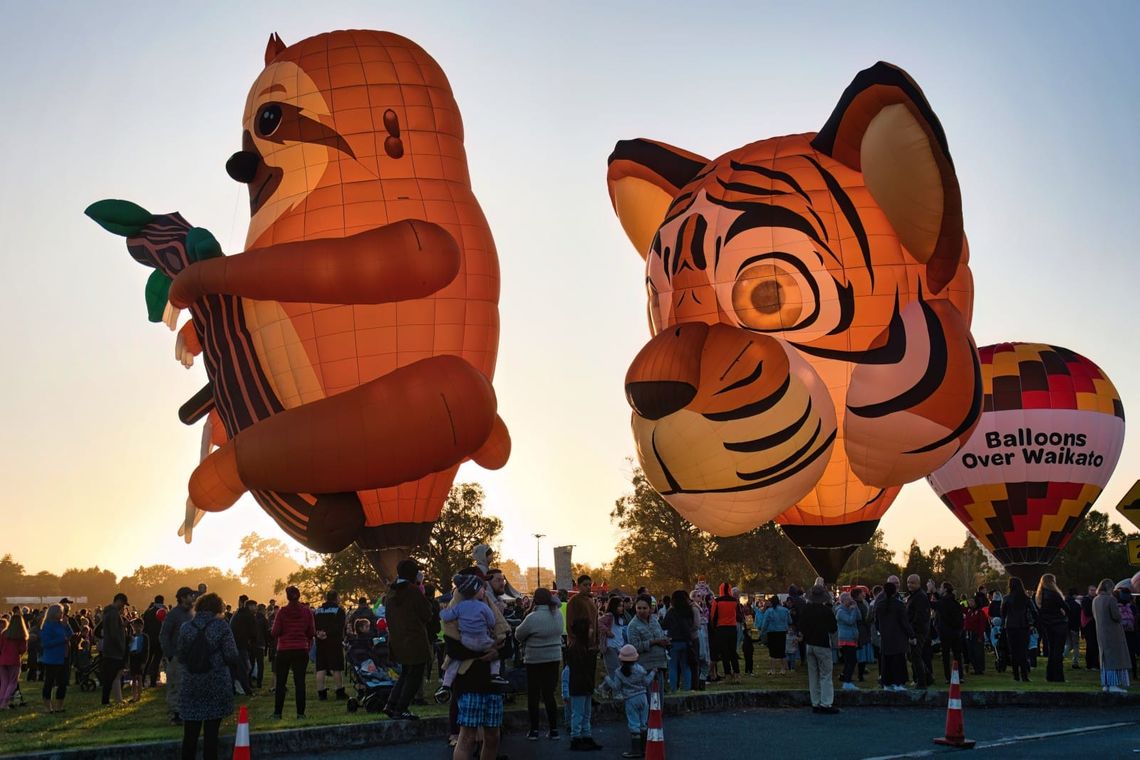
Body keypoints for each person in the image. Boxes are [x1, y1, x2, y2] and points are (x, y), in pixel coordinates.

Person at [177, 593, 241, 760]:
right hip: (215, 682)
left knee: (190, 735)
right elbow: (232, 654)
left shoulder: (186, 628)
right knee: (211, 736)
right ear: (217, 608)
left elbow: (181, 655)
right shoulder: (222, 626)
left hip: (191, 684)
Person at [438, 574, 505, 697]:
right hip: (482, 640)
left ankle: (445, 684)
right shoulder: (483, 606)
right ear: (476, 590)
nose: (484, 591)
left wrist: (442, 611)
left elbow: (447, 617)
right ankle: (495, 674)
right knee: (495, 656)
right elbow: (492, 621)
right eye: (482, 588)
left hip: (466, 640)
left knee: (454, 662)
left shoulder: (459, 606)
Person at [383, 559, 433, 720]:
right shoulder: (412, 590)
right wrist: (421, 588)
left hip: (397, 638)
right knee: (415, 675)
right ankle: (401, 707)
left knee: (405, 673)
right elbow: (427, 614)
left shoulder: (391, 591)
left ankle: (391, 704)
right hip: (414, 638)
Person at [514, 587, 564, 740]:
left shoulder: (532, 618)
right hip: (553, 658)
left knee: (533, 695)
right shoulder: (558, 615)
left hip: (535, 659)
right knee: (549, 694)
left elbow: (518, 635)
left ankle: (534, 730)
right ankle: (554, 729)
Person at [271, 585, 316, 719]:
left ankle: (278, 713)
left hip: (284, 649)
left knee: (281, 682)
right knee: (300, 682)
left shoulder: (282, 612)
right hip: (301, 649)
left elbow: (275, 632)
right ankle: (300, 713)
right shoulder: (307, 612)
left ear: (287, 597)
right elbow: (311, 632)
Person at [603, 644, 655, 758]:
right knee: (643, 723)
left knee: (634, 724)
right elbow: (646, 682)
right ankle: (645, 748)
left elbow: (616, 687)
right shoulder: (640, 669)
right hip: (643, 697)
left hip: (631, 700)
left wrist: (607, 679)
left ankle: (635, 750)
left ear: (621, 659)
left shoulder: (619, 672)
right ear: (635, 657)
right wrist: (653, 673)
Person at [798, 585, 839, 713]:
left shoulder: (805, 609)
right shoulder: (826, 611)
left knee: (813, 674)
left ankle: (815, 702)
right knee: (826, 675)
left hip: (809, 644)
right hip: (822, 644)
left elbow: (801, 626)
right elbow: (833, 628)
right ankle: (826, 703)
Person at [160, 586, 197, 724]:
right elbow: (164, 635)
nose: (193, 598)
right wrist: (170, 654)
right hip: (176, 656)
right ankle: (176, 714)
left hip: (190, 656)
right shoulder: (173, 614)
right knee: (176, 685)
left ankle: (186, 711)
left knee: (187, 685)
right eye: (190, 595)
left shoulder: (192, 613)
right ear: (182, 598)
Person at [565, 617, 602, 751]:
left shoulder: (580, 646)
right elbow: (580, 667)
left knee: (586, 712)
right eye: (590, 628)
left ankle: (586, 735)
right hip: (580, 685)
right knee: (579, 712)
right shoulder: (577, 648)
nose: (592, 630)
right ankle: (576, 738)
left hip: (584, 685)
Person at [626, 594, 668, 707]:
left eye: (644, 608)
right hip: (644, 667)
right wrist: (654, 642)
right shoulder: (633, 626)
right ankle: (647, 722)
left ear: (650, 608)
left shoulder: (654, 621)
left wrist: (665, 641)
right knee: (649, 700)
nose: (641, 611)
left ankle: (657, 722)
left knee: (658, 699)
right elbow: (634, 647)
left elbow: (659, 635)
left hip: (658, 664)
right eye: (639, 608)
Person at [1092, 578, 1130, 693]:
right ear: (1109, 588)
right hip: (1113, 633)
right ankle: (1114, 685)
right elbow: (1116, 616)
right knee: (1115, 659)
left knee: (1104, 659)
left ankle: (1106, 684)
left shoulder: (1095, 600)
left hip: (1101, 632)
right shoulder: (1111, 600)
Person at [876, 582, 914, 691]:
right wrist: (911, 635)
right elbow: (904, 622)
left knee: (886, 661)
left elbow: (876, 621)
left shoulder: (880, 605)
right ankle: (898, 683)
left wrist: (881, 631)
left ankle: (886, 683)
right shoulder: (899, 605)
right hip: (898, 637)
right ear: (895, 591)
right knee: (898, 661)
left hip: (885, 637)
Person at [313, 590, 348, 701]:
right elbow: (339, 627)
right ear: (336, 598)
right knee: (336, 667)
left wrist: (319, 633)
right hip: (334, 642)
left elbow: (314, 625)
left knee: (321, 667)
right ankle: (339, 691)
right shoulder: (339, 610)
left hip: (320, 641)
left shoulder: (318, 610)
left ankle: (321, 693)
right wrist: (327, 633)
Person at [1035, 574, 1069, 683]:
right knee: (1058, 652)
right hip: (1059, 624)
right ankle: (1059, 677)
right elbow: (1066, 607)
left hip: (1047, 625)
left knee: (1051, 650)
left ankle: (1050, 675)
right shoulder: (1055, 594)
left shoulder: (1040, 596)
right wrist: (1064, 616)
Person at [1001, 577, 1036, 683]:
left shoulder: (1007, 598)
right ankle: (1024, 675)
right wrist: (1033, 624)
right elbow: (1034, 612)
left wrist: (1003, 625)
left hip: (1011, 627)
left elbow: (1003, 614)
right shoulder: (1026, 598)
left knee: (1014, 651)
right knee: (1023, 652)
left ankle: (1016, 675)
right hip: (1023, 626)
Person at [38, 604, 72, 713]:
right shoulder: (47, 626)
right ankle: (47, 706)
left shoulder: (61, 624)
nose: (62, 614)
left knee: (63, 683)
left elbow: (70, 634)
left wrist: (66, 625)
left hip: (63, 657)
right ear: (53, 613)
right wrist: (61, 640)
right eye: (60, 612)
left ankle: (59, 706)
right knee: (49, 682)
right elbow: (46, 643)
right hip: (52, 658)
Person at [99, 592, 129, 706]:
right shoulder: (113, 613)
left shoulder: (109, 612)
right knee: (110, 677)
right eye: (123, 603)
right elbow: (114, 632)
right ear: (119, 601)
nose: (124, 606)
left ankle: (113, 699)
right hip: (114, 650)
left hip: (110, 649)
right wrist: (121, 646)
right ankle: (105, 701)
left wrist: (122, 626)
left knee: (113, 676)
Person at [663, 590, 695, 691]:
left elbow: (664, 625)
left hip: (673, 641)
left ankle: (673, 688)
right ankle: (687, 688)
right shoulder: (689, 611)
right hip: (686, 641)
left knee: (673, 667)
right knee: (685, 666)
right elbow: (692, 624)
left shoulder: (671, 612)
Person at [708, 582, 741, 684]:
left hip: (721, 629)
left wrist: (714, 628)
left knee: (724, 653)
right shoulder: (734, 601)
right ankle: (737, 675)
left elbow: (712, 617)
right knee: (733, 652)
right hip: (732, 628)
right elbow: (738, 615)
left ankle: (727, 676)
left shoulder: (717, 601)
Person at [905, 575, 931, 688]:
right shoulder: (914, 596)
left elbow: (920, 616)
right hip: (915, 630)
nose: (910, 585)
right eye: (908, 582)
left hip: (918, 631)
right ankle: (928, 677)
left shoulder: (920, 596)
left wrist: (912, 632)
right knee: (912, 655)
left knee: (915, 656)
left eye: (912, 583)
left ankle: (922, 682)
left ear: (918, 583)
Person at [936, 582, 965, 683]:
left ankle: (948, 677)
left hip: (945, 632)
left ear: (944, 590)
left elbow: (934, 604)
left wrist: (930, 591)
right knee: (957, 655)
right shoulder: (955, 602)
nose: (939, 589)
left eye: (941, 588)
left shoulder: (943, 602)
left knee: (946, 656)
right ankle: (960, 676)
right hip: (956, 632)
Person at [228, 596, 256, 696]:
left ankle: (236, 687)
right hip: (241, 645)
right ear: (250, 606)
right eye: (254, 606)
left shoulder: (237, 613)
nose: (255, 608)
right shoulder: (248, 615)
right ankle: (245, 689)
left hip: (233, 644)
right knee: (245, 668)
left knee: (236, 668)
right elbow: (253, 632)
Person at [0, 613, 29, 709]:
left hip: (3, 660)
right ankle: (5, 702)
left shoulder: (4, 633)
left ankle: (1, 701)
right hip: (14, 660)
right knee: (12, 682)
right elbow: (22, 649)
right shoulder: (21, 635)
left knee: (4, 682)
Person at [835, 592, 860, 691]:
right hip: (846, 639)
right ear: (844, 600)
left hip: (852, 638)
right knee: (852, 661)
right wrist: (853, 610)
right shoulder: (840, 611)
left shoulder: (850, 609)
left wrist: (856, 607)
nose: (851, 601)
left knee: (849, 661)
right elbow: (850, 621)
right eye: (849, 599)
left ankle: (844, 677)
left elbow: (859, 617)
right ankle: (847, 682)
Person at [142, 596, 165, 687]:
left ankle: (142, 679)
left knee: (147, 660)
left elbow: (145, 626)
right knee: (156, 660)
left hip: (149, 639)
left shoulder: (148, 612)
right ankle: (153, 681)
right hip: (159, 639)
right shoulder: (163, 611)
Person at [126, 618, 149, 703]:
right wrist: (128, 661)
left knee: (139, 677)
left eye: (139, 626)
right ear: (133, 627)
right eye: (135, 626)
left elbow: (146, 650)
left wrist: (144, 661)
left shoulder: (145, 637)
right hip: (133, 658)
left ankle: (139, 696)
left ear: (142, 627)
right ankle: (133, 696)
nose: (137, 628)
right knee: (133, 678)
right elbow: (129, 649)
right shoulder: (132, 637)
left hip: (140, 659)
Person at [963, 597, 988, 676]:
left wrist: (980, 636)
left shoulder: (980, 612)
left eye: (972, 602)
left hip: (976, 634)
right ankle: (975, 667)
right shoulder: (969, 611)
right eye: (969, 601)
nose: (970, 603)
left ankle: (979, 669)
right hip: (969, 634)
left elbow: (982, 625)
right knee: (971, 652)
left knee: (978, 652)